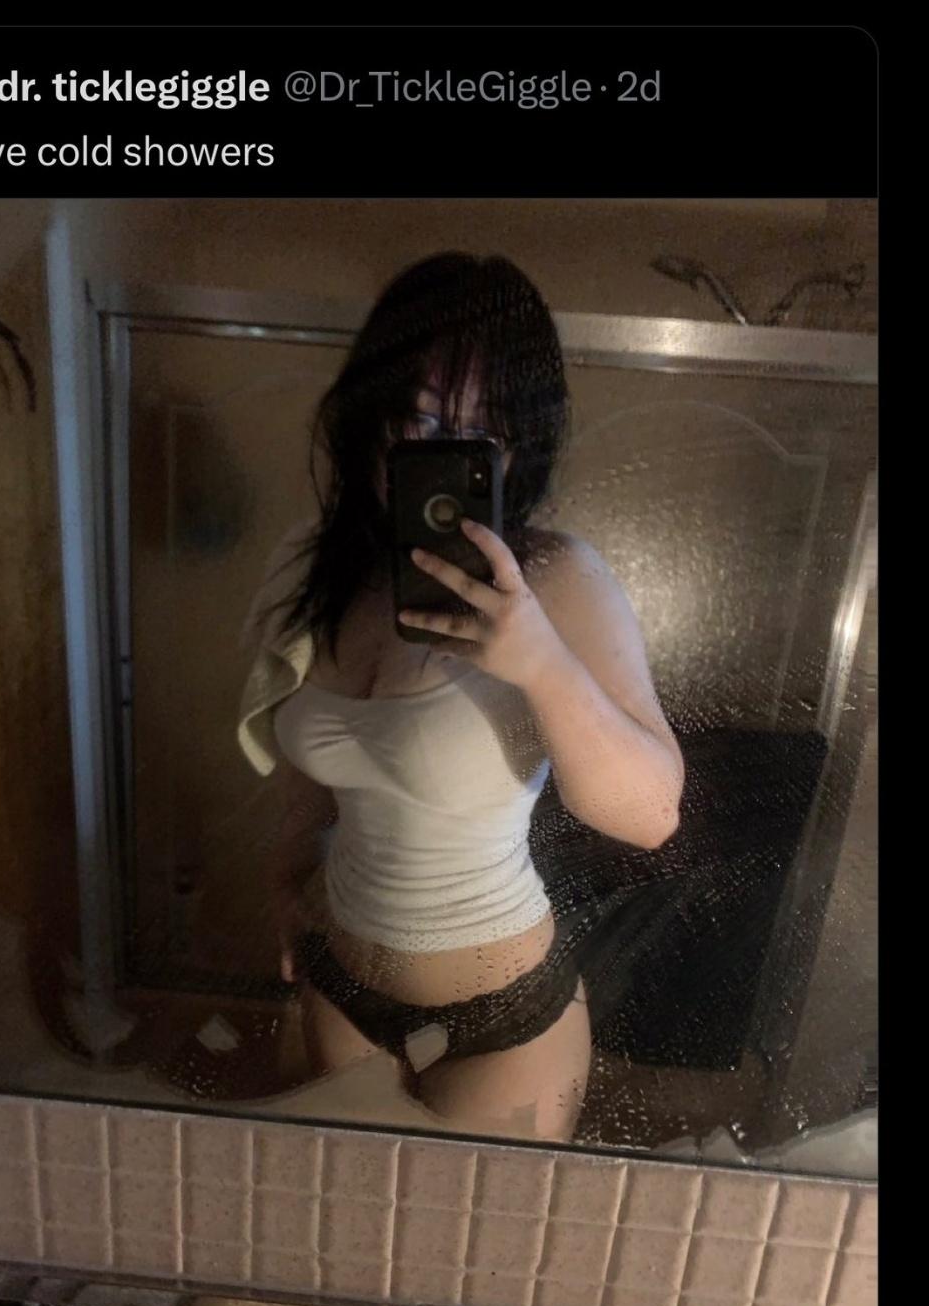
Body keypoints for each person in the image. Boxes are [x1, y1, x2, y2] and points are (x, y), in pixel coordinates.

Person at [237, 252, 684, 1142]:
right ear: (371, 412)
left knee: (465, 1233)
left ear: (518, 445)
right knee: (340, 1214)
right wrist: (286, 882)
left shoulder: (556, 579)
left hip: (502, 1022)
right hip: (338, 985)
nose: (441, 445)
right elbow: (313, 770)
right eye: (420, 416)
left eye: (481, 428)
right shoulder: (318, 565)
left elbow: (651, 817)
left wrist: (541, 661)